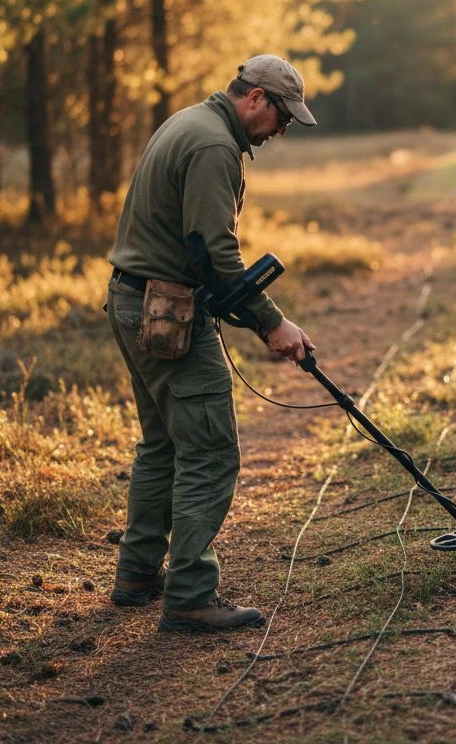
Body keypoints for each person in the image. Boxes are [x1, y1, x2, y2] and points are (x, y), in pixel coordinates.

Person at [106, 55, 316, 632]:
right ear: (255, 100)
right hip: (166, 311)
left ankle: (138, 573)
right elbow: (217, 252)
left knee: (163, 445)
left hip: (133, 301)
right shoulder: (214, 147)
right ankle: (191, 596)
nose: (280, 131)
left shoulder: (189, 121)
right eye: (281, 118)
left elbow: (199, 248)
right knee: (209, 450)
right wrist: (273, 323)